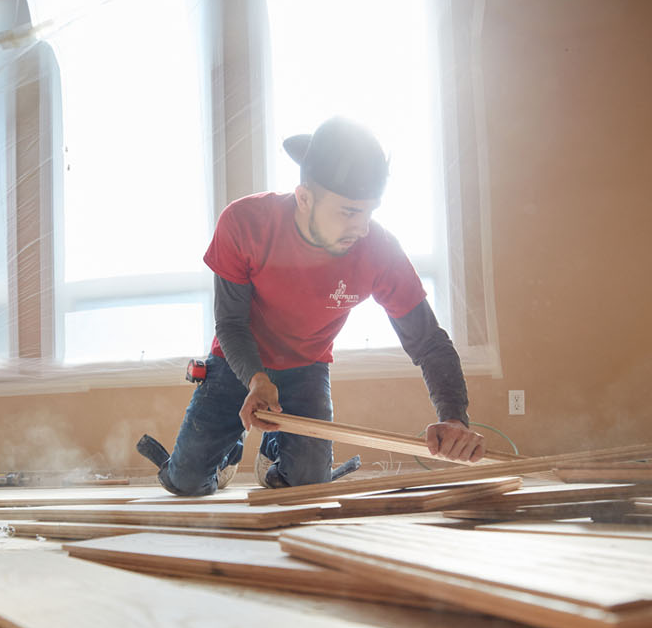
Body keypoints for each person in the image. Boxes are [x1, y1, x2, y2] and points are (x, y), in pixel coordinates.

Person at [138, 116, 485, 497]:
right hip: (238, 362)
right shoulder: (244, 223)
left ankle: (275, 452)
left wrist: (454, 418)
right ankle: (227, 449)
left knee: (305, 486)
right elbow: (231, 322)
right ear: (304, 198)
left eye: (370, 211)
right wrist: (257, 380)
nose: (363, 228)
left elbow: (429, 343)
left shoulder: (380, 251)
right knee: (185, 481)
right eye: (349, 212)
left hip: (306, 367)